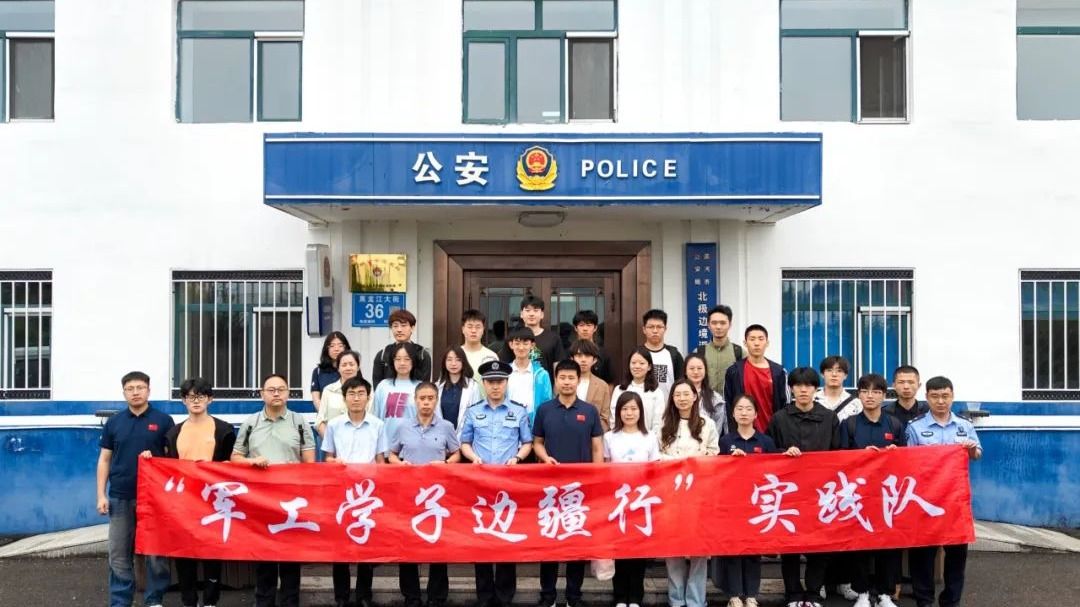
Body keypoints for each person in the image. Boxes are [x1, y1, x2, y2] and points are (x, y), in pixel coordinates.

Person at [231, 373, 316, 607]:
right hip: (260, 500)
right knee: (264, 557)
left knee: (290, 559)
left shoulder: (299, 422)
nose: (276, 393)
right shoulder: (251, 423)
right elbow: (236, 457)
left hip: (291, 500)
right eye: (271, 390)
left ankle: (290, 602)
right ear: (262, 394)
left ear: (288, 393)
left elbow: (310, 462)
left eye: (281, 389)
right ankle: (263, 602)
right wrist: (252, 461)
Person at [97, 371, 175, 607]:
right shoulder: (114, 422)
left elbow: (172, 460)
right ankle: (121, 600)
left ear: (149, 390)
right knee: (119, 553)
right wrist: (101, 495)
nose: (135, 392)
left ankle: (154, 599)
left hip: (154, 498)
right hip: (121, 496)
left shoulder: (164, 421)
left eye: (140, 388)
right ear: (124, 393)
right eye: (130, 389)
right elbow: (104, 460)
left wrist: (156, 459)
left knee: (156, 553)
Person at [460, 360, 533, 607]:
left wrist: (517, 458)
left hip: (508, 484)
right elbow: (465, 443)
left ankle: (504, 595)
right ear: (484, 383)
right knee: (481, 538)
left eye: (499, 381)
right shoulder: (473, 411)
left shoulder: (518, 411)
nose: (495, 386)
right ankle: (484, 595)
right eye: (490, 382)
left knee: (506, 537)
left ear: (506, 383)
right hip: (480, 484)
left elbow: (527, 442)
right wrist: (473, 457)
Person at [532, 360, 604, 607]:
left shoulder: (589, 411)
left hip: (580, 489)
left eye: (571, 378)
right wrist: (545, 458)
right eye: (562, 377)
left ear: (578, 380)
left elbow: (597, 447)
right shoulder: (544, 410)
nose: (566, 382)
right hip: (550, 489)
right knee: (549, 542)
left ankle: (574, 596)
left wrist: (597, 478)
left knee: (577, 543)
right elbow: (537, 442)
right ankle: (548, 595)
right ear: (556, 380)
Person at [905, 376, 982, 607]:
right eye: (935, 396)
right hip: (925, 499)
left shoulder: (964, 426)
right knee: (923, 554)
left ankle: (951, 600)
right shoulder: (915, 427)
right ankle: (924, 600)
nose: (941, 401)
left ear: (952, 396)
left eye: (945, 396)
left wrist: (970, 450)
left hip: (955, 500)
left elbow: (977, 454)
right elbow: (907, 461)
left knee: (957, 554)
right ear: (927, 397)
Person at [766, 367, 839, 607]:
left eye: (808, 385)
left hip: (821, 492)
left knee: (820, 545)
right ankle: (793, 594)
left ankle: (814, 592)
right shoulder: (779, 418)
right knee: (790, 547)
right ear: (791, 389)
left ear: (816, 389)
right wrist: (783, 453)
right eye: (798, 385)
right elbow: (768, 452)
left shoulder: (829, 418)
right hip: (789, 493)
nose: (803, 390)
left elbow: (839, 453)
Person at [164, 377, 237, 607]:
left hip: (213, 501)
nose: (196, 401)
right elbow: (167, 466)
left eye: (201, 396)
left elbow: (232, 463)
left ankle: (210, 601)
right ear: (183, 401)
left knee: (211, 553)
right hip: (183, 501)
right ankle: (189, 600)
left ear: (210, 399)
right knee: (184, 553)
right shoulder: (173, 433)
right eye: (190, 397)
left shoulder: (224, 430)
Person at [389, 382, 461, 607]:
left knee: (438, 544)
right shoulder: (402, 426)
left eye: (430, 398)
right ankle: (411, 596)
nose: (426, 403)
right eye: (422, 398)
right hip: (409, 495)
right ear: (415, 400)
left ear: (436, 400)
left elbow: (457, 453)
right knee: (408, 544)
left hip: (437, 497)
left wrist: (445, 463)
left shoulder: (446, 426)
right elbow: (391, 454)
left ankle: (436, 596)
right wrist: (400, 464)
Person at [837, 373, 904, 607]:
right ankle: (862, 592)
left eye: (876, 392)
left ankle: (885, 593)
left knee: (889, 545)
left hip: (887, 495)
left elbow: (907, 460)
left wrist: (894, 453)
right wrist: (861, 456)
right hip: (859, 495)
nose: (870, 396)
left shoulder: (894, 424)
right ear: (859, 395)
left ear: (884, 396)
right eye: (865, 391)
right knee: (859, 545)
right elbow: (841, 458)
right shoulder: (850, 424)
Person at [321, 375, 386, 607]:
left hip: (368, 492)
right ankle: (341, 596)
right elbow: (327, 458)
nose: (356, 398)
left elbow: (381, 459)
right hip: (342, 491)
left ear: (368, 398)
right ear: (344, 398)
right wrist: (334, 462)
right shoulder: (334, 425)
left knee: (366, 544)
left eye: (361, 394)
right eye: (351, 394)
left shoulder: (378, 425)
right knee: (340, 545)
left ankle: (364, 595)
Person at [658, 379, 719, 607]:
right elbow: (656, 455)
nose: (682, 398)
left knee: (698, 549)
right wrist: (679, 463)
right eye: (677, 395)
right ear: (672, 398)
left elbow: (713, 453)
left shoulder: (707, 424)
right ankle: (676, 599)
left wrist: (694, 462)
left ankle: (695, 600)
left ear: (695, 397)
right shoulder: (663, 425)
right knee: (672, 547)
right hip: (670, 494)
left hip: (699, 494)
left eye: (686, 394)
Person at [717, 394, 777, 607]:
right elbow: (716, 471)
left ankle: (751, 595)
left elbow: (775, 470)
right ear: (733, 414)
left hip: (758, 506)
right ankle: (734, 595)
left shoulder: (765, 441)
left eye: (748, 409)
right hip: (732, 505)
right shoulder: (725, 441)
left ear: (756, 414)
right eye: (739, 409)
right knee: (733, 550)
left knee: (753, 551)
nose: (744, 413)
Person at [603, 391, 661, 607]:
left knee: (638, 550)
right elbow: (605, 467)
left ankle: (636, 596)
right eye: (625, 409)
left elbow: (655, 468)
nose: (629, 413)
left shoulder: (650, 437)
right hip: (618, 501)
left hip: (642, 501)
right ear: (618, 412)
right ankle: (620, 596)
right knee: (619, 549)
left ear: (640, 412)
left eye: (633, 409)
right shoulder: (609, 437)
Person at [724, 324, 788, 434]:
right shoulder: (734, 371)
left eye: (761, 339)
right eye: (752, 339)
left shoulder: (779, 372)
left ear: (767, 343)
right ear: (745, 343)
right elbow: (728, 405)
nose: (756, 343)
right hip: (742, 435)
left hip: (771, 434)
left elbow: (785, 405)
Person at [371, 342, 423, 454]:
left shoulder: (421, 387)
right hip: (386, 448)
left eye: (407, 359)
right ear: (392, 361)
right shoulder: (383, 386)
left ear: (413, 361)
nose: (402, 363)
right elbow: (375, 419)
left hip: (414, 450)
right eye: (398, 359)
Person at [498, 295, 565, 376]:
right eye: (527, 310)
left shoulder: (553, 338)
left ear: (542, 314)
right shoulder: (513, 338)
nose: (531, 314)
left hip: (544, 383)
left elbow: (558, 368)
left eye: (536, 310)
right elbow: (504, 365)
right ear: (521, 314)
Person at [609, 346, 666, 435]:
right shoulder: (619, 390)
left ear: (649, 367)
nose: (637, 366)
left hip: (648, 440)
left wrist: (650, 439)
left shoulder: (656, 393)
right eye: (633, 363)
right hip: (622, 439)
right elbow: (614, 418)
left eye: (642, 363)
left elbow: (658, 423)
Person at [371, 309, 433, 386]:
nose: (399, 330)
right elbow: (377, 386)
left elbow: (425, 386)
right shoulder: (383, 354)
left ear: (412, 328)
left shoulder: (422, 354)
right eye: (395, 326)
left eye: (403, 325)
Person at [693, 304, 744, 395]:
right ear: (708, 325)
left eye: (723, 323)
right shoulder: (698, 352)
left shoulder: (740, 352)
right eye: (714, 323)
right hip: (705, 401)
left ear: (730, 325)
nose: (718, 327)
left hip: (732, 402)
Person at [506, 327, 554, 423]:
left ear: (532, 345)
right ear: (511, 345)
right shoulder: (505, 373)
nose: (521, 347)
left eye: (525, 343)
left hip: (534, 422)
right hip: (508, 422)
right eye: (517, 343)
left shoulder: (542, 374)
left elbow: (547, 402)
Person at [315, 350, 363, 437]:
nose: (348, 368)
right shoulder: (329, 390)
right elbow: (320, 421)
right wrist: (331, 441)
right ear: (338, 368)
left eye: (351, 364)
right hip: (332, 441)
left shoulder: (367, 391)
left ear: (358, 367)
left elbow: (371, 420)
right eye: (344, 365)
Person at [568, 339, 613, 431]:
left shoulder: (602, 386)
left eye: (587, 356)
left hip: (593, 434)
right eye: (579, 355)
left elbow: (605, 418)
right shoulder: (564, 383)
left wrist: (593, 432)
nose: (583, 360)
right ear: (572, 358)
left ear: (594, 360)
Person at [436, 346, 481, 430]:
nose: (453, 363)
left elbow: (476, 414)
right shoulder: (437, 387)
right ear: (444, 363)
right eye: (449, 360)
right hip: (441, 434)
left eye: (458, 360)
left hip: (465, 434)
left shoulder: (473, 386)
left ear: (463, 362)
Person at [641, 309, 684, 398]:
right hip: (642, 405)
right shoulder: (637, 354)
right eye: (651, 327)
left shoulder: (674, 354)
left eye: (659, 327)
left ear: (665, 329)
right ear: (644, 329)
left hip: (668, 405)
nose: (655, 331)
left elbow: (682, 384)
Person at [684, 352, 727, 436]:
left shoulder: (715, 398)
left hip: (707, 442)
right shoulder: (677, 394)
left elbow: (717, 429)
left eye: (699, 368)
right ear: (685, 371)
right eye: (691, 368)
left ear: (705, 370)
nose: (696, 372)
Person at [311, 331, 351, 412]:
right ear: (327, 349)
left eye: (340, 345)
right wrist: (325, 414)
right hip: (325, 416)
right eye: (332, 346)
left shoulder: (352, 370)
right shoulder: (318, 371)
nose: (336, 349)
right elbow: (316, 399)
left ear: (345, 348)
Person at [461, 309, 500, 393]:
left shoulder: (491, 356)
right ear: (463, 329)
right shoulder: (456, 355)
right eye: (470, 327)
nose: (473, 331)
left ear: (483, 330)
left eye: (478, 327)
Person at [816, 355, 862, 422]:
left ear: (845, 375)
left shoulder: (856, 403)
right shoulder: (812, 400)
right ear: (822, 374)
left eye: (839, 371)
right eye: (829, 370)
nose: (834, 374)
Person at [572, 309, 613, 382]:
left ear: (595, 328)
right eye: (581, 325)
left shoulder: (603, 353)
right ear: (575, 328)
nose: (585, 329)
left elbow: (609, 381)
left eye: (589, 325)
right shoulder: (570, 351)